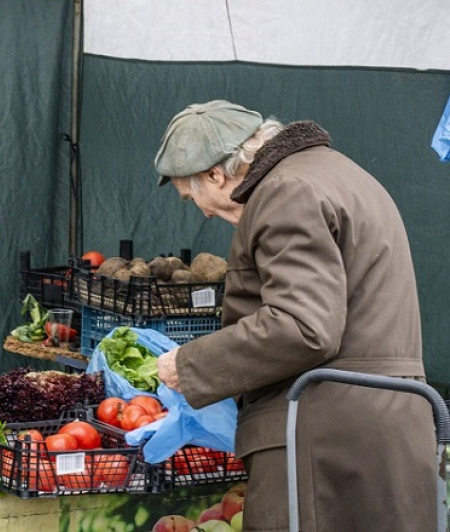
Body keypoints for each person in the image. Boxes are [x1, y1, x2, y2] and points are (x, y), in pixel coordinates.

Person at [153, 100, 436, 531]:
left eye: (194, 197)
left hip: (326, 442)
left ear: (216, 174)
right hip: (383, 429)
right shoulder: (340, 173)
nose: (204, 211)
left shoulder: (285, 192)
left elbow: (303, 327)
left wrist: (190, 365)